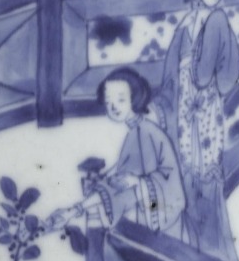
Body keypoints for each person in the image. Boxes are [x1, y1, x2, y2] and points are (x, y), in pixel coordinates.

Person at [151, 0, 239, 261]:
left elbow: (214, 78)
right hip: (184, 122)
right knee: (191, 191)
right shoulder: (187, 27)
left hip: (204, 123)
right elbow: (171, 81)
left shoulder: (216, 21)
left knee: (204, 189)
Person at [47, 69, 186, 237]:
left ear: (134, 98)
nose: (113, 107)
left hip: (162, 219)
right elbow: (121, 180)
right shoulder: (135, 132)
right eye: (108, 101)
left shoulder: (146, 132)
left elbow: (162, 181)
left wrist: (136, 182)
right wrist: (73, 210)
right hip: (144, 209)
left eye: (120, 99)